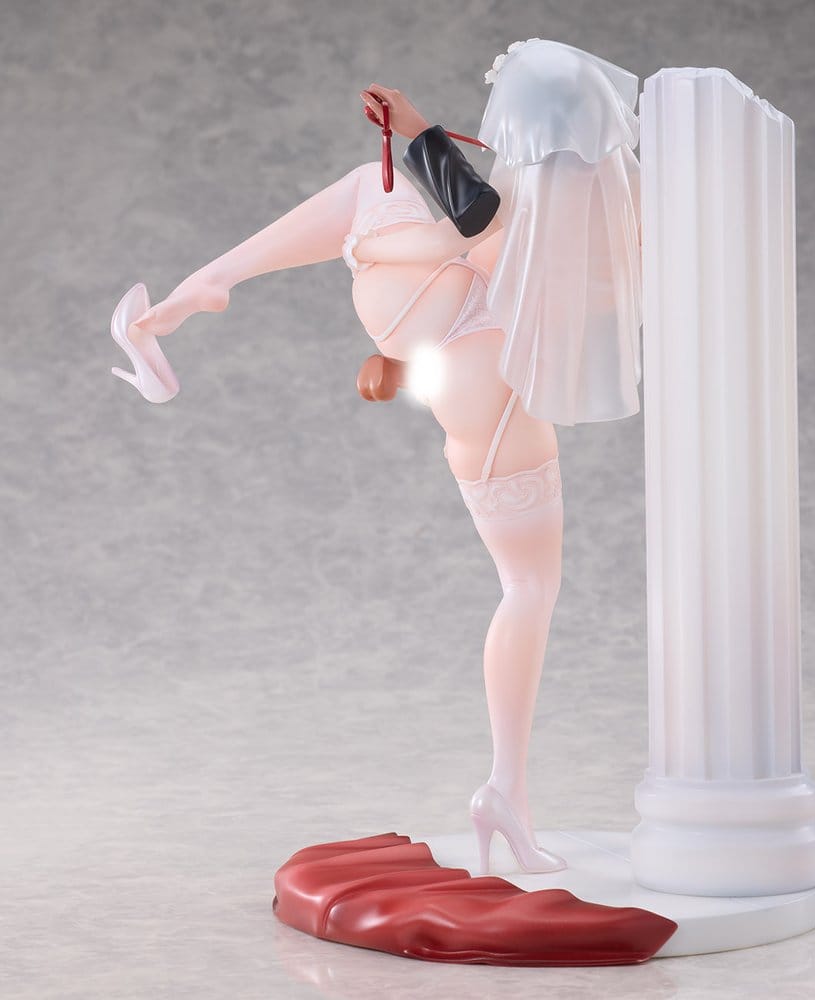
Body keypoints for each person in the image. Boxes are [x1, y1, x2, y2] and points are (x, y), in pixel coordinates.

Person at [110, 39, 641, 876]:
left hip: (436, 332)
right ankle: (504, 786)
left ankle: (189, 298)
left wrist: (409, 198)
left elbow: (471, 229)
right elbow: (499, 240)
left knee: (361, 195)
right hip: (484, 376)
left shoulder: (453, 192)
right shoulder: (573, 208)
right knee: (528, 587)